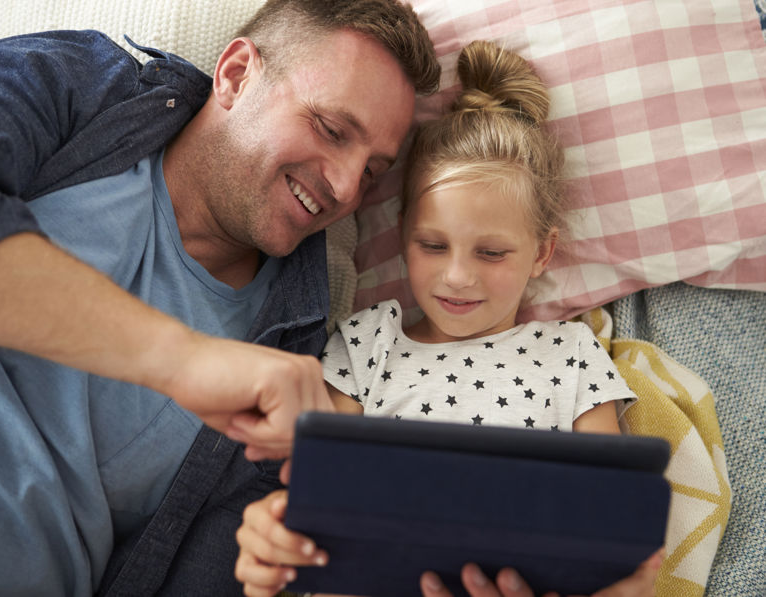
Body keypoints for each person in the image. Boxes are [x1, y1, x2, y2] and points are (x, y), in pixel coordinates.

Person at [0, 1, 439, 595]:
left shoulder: (292, 353)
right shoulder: (82, 86)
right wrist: (183, 358)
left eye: (372, 170)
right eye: (330, 129)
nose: (348, 187)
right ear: (237, 75)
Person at [234, 40, 664, 597]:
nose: (457, 277)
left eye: (491, 253)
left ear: (541, 252)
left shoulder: (571, 353)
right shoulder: (368, 342)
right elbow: (314, 497)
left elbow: (608, 527)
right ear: (405, 229)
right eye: (433, 245)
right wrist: (276, 535)